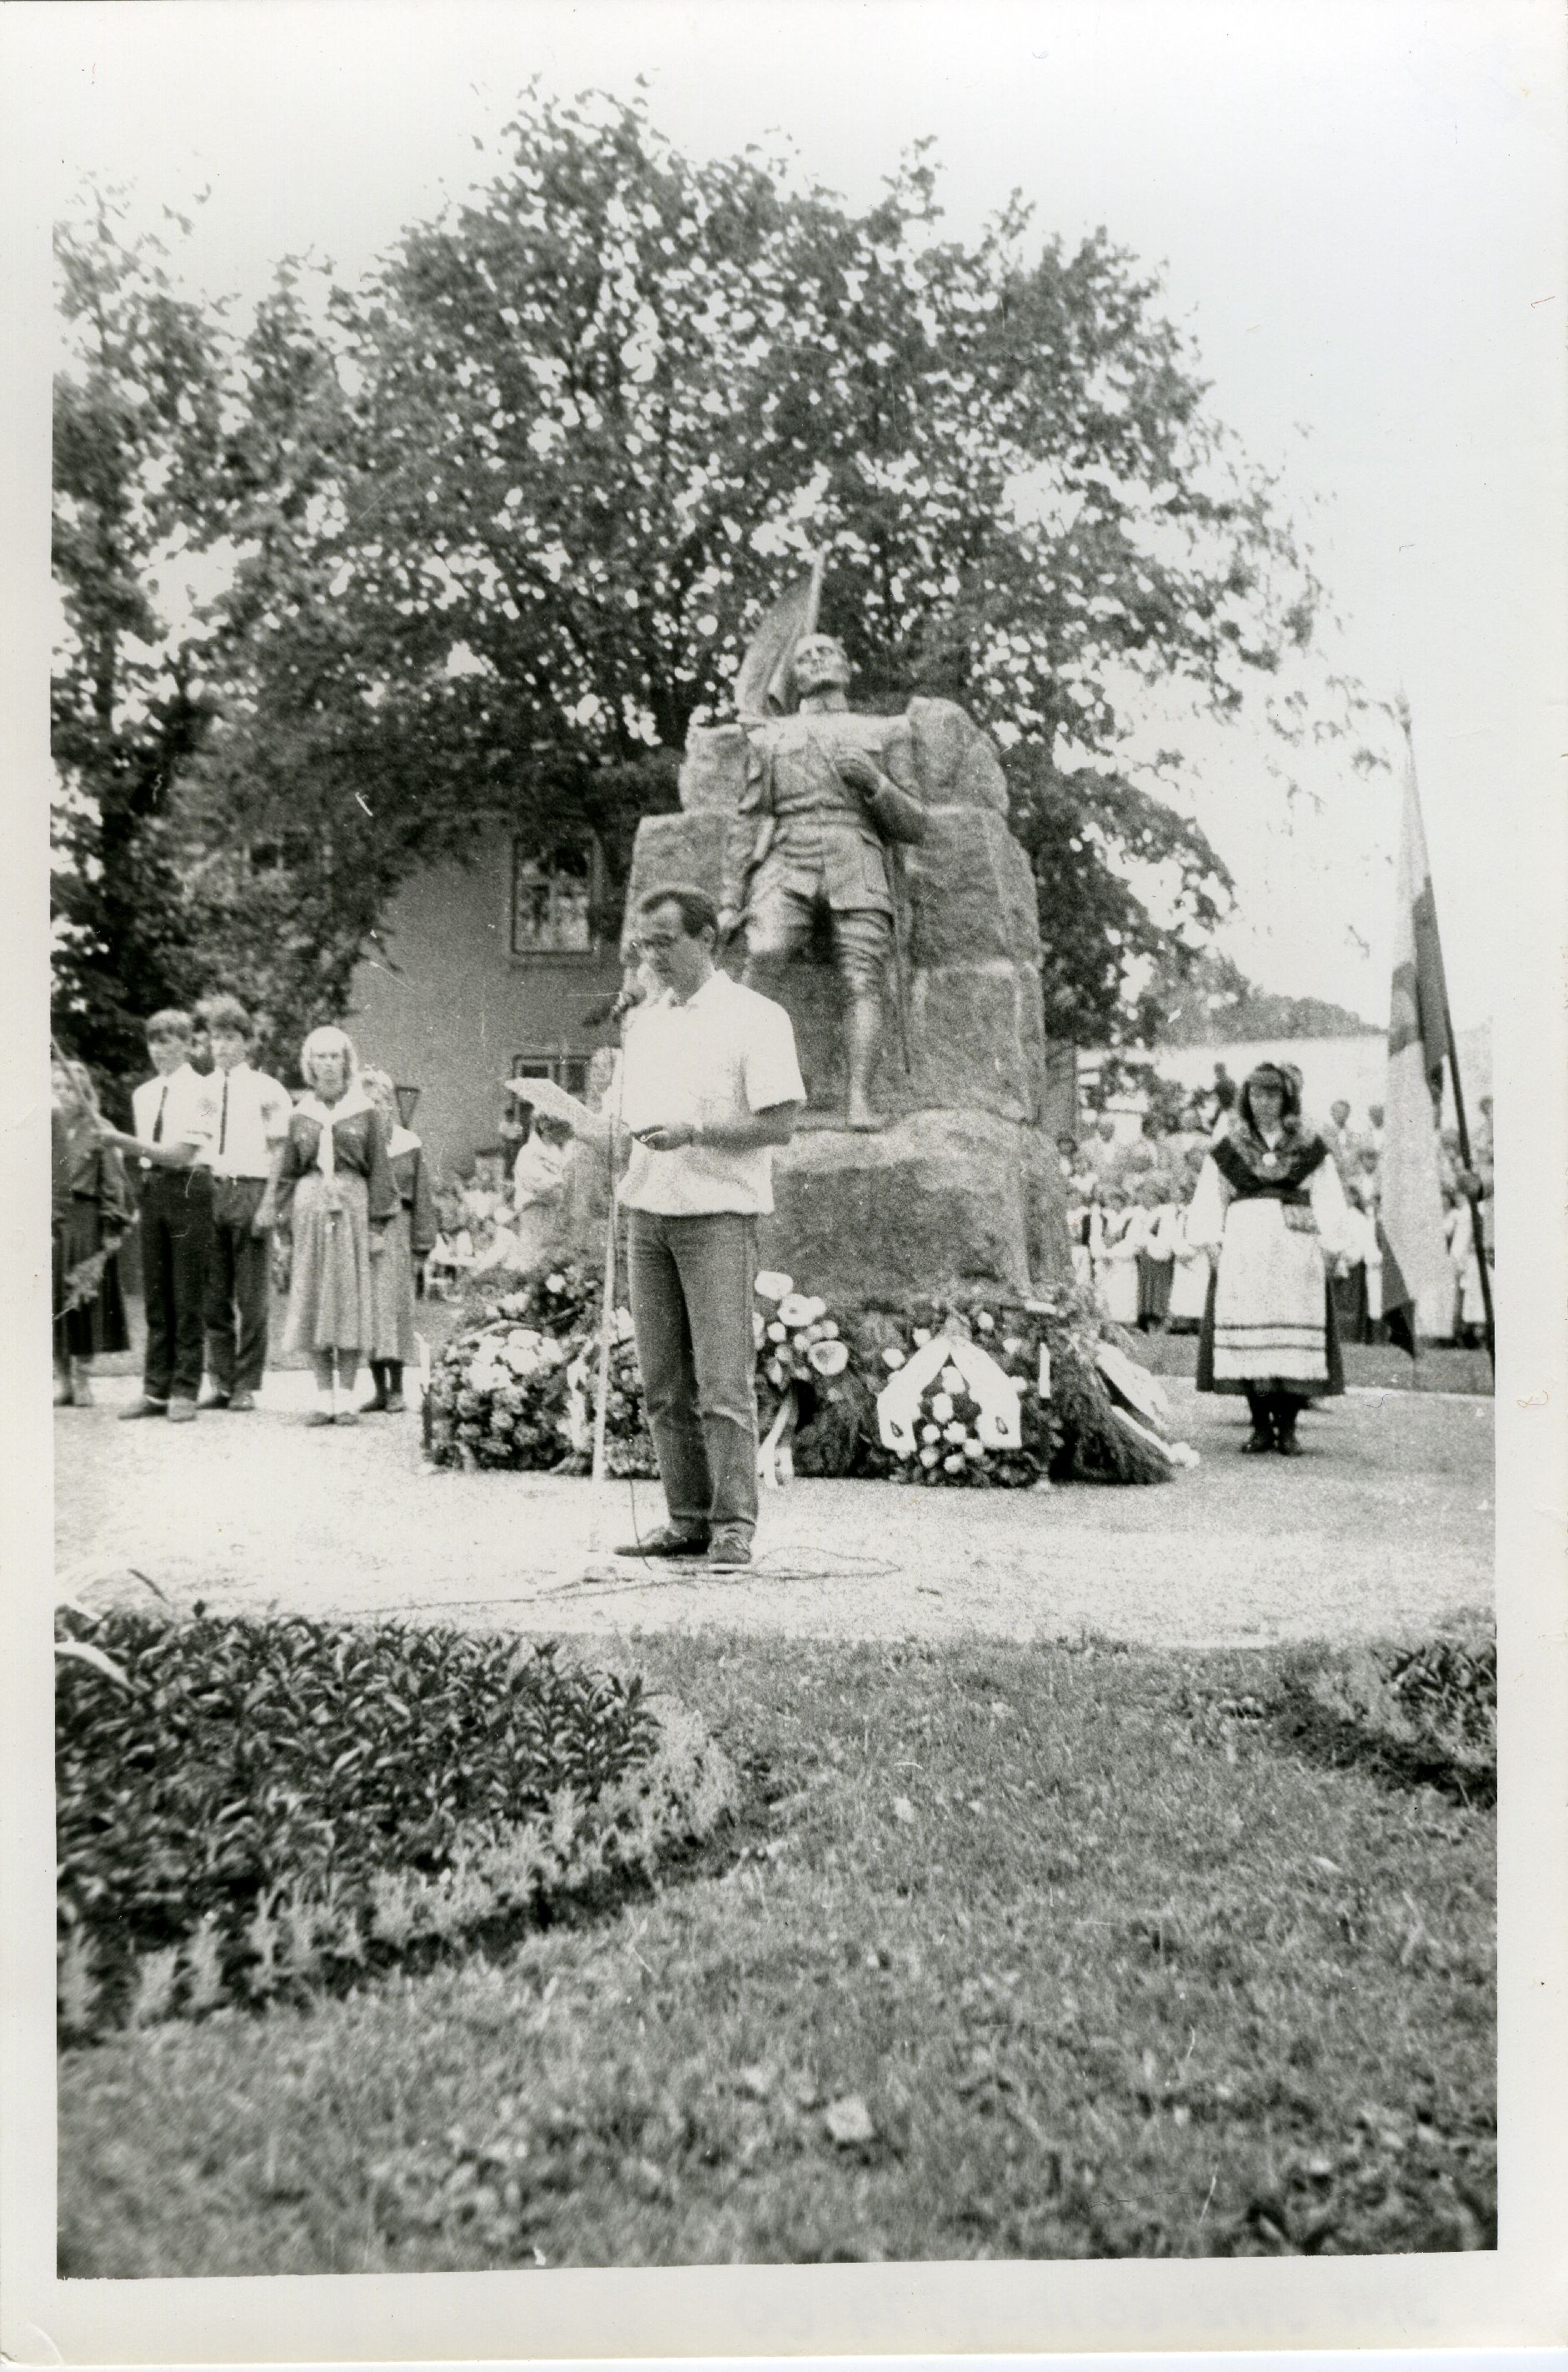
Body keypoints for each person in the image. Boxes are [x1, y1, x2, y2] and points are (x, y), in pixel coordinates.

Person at [524, 884, 806, 1572]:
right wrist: (579, 1127)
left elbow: (780, 1122)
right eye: (644, 943)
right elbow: (621, 1133)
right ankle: (686, 1518)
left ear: (707, 938)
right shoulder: (642, 1024)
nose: (651, 956)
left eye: (664, 941)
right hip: (647, 1215)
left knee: (721, 1382)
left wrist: (697, 1131)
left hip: (718, 1217)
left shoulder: (756, 1017)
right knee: (662, 1385)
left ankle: (733, 1526)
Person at [721, 631, 924, 1131]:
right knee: (763, 957)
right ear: (794, 677)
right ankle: (744, 1090)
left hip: (856, 855)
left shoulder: (887, 731)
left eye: (825, 651)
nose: (814, 660)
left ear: (847, 664)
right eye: (803, 657)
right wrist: (730, 899)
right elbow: (748, 821)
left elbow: (916, 823)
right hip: (787, 857)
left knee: (864, 977)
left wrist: (875, 784)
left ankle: (859, 1099)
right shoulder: (769, 738)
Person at [1186, 1061, 1351, 1455]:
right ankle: (1260, 1426)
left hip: (1296, 1251)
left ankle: (1289, 1428)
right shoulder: (1230, 1148)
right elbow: (1210, 1196)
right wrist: (1211, 1244)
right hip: (1246, 1248)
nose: (1264, 1102)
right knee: (1251, 1331)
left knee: (1292, 1335)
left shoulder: (1310, 1147)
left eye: (1272, 1094)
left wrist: (1332, 1245)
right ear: (1246, 1098)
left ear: (1286, 1098)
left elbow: (1329, 1195)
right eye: (1257, 1094)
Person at [258, 1026, 399, 1427]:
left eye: (335, 1056)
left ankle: (349, 1397)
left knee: (350, 1300)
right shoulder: (300, 1113)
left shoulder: (365, 1111)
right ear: (309, 1064)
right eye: (320, 1056)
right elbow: (287, 1174)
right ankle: (323, 1398)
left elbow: (380, 1172)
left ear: (346, 1061)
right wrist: (283, 1228)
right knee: (313, 1299)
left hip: (352, 1210)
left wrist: (376, 1227)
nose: (328, 1064)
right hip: (310, 1209)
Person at [95, 1008, 219, 1422]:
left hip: (190, 1186)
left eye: (169, 1040)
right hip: (154, 1190)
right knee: (157, 1293)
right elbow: (147, 1153)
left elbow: (183, 1151)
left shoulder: (207, 1092)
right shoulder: (143, 1094)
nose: (160, 1049)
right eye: (154, 1041)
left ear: (187, 1044)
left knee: (187, 1293)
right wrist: (124, 1146)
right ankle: (155, 1391)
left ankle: (185, 1388)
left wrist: (125, 1143)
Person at [198, 995, 293, 1412]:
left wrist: (269, 1202)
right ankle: (219, 1380)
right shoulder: (200, 1090)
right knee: (212, 1295)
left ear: (246, 1042)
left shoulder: (267, 1088)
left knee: (252, 1297)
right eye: (215, 1038)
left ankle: (246, 1383)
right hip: (209, 1191)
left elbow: (279, 1151)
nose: (221, 1046)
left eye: (230, 1037)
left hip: (251, 1189)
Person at [51, 1056, 133, 1407]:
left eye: (70, 1087)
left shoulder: (101, 1128)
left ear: (84, 1090)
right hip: (50, 1219)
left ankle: (84, 1377)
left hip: (86, 1219)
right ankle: (63, 1380)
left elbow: (114, 1182)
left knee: (83, 1298)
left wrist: (112, 1223)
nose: (64, 1094)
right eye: (56, 1087)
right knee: (50, 1301)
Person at [359, 1068, 437, 1413]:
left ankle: (397, 1389)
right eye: (368, 1103)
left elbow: (422, 1197)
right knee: (370, 1312)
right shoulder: (356, 1145)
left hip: (398, 1231)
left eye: (381, 1101)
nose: (377, 1108)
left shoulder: (408, 1143)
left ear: (391, 1104)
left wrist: (422, 1244)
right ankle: (378, 1389)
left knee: (395, 1310)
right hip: (365, 1229)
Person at [509, 1110, 572, 1269]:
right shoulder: (529, 1152)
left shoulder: (560, 1152)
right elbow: (534, 1184)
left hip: (555, 1210)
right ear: (544, 1127)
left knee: (551, 1257)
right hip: (534, 1210)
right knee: (532, 1255)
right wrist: (557, 1186)